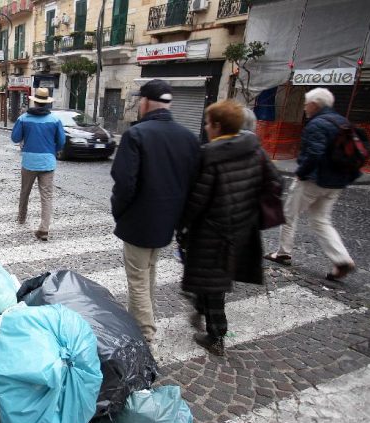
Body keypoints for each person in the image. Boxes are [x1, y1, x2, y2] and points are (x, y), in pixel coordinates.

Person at [178, 100, 281, 356]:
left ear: (218, 126)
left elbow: (197, 199)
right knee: (211, 279)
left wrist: (180, 224)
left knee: (213, 283)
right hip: (242, 228)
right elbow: (275, 182)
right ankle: (201, 310)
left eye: (207, 122)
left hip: (212, 231)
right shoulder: (255, 149)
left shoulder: (210, 155)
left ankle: (216, 336)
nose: (205, 126)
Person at [110, 79, 199, 346]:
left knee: (138, 278)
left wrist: (119, 213)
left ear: (146, 102)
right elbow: (193, 183)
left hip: (138, 220)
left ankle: (144, 335)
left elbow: (124, 183)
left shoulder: (136, 135)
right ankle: (140, 321)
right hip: (167, 221)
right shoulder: (188, 136)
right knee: (148, 271)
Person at [264, 87, 358, 280]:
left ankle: (283, 253)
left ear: (314, 105)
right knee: (321, 220)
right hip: (337, 182)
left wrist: (301, 173)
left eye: (306, 104)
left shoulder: (317, 124)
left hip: (313, 180)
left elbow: (314, 153)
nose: (305, 108)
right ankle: (342, 259)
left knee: (289, 214)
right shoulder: (343, 122)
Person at [10, 87, 66, 242]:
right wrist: (52, 150)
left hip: (29, 162)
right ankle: (44, 228)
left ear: (34, 101)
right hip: (48, 162)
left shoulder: (24, 118)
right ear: (47, 102)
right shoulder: (55, 120)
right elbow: (61, 142)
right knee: (47, 196)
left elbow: (15, 138)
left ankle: (21, 218)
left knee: (25, 191)